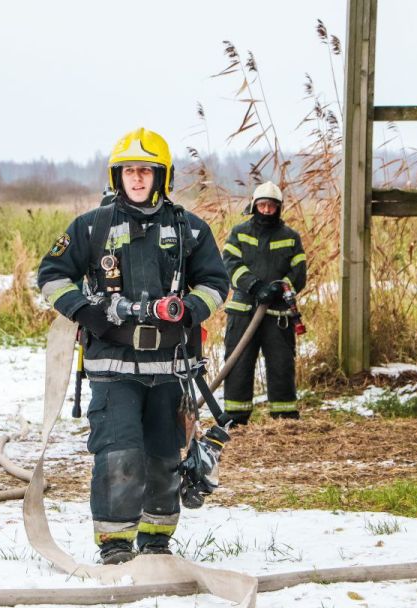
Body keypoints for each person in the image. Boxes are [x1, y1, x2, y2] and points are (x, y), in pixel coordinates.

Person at [37, 128, 229, 564]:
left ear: (161, 177)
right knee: (119, 454)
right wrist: (83, 311)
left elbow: (218, 283)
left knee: (164, 457)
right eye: (129, 171)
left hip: (170, 368)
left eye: (145, 171)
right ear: (116, 175)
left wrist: (188, 309)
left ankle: (157, 541)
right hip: (112, 365)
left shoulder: (189, 231)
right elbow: (50, 275)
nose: (137, 179)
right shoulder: (91, 227)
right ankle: (116, 545)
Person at [221, 181, 307, 424]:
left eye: (271, 206)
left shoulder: (290, 237)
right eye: (262, 205)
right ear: (253, 205)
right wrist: (256, 286)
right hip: (244, 312)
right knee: (238, 363)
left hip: (278, 314)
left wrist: (281, 287)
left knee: (281, 364)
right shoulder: (239, 233)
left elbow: (299, 271)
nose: (267, 210)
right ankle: (235, 418)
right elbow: (229, 264)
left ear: (279, 208)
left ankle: (285, 417)